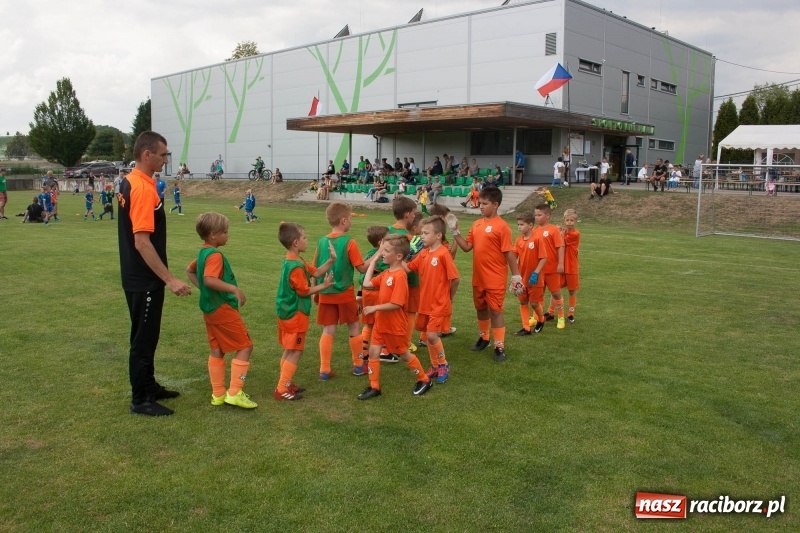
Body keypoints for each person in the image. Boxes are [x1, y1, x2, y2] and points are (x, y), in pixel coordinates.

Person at [118, 131, 191, 417]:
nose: (165, 159)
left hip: (138, 276)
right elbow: (141, 241)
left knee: (148, 335)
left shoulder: (133, 180)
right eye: (162, 154)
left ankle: (149, 386)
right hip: (143, 278)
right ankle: (140, 400)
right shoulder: (141, 188)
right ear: (146, 155)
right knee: (143, 340)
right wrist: (170, 279)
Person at [185, 212, 257, 409]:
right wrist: (233, 288)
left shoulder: (202, 253)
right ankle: (235, 392)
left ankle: (218, 394)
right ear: (213, 235)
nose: (228, 235)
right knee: (245, 346)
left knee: (217, 349)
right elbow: (209, 279)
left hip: (209, 310)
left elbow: (190, 270)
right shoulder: (215, 255)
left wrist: (204, 290)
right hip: (223, 309)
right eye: (225, 232)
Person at [447, 186, 523, 362]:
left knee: (495, 311)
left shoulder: (502, 227)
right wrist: (454, 231)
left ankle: (499, 346)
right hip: (478, 277)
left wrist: (516, 276)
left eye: (484, 203)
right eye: (479, 203)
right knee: (480, 308)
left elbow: (509, 253)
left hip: (495, 277)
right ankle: (484, 337)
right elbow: (467, 247)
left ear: (495, 205)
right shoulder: (477, 224)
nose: (480, 206)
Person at [357, 235, 434, 400]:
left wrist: (374, 307)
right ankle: (374, 387)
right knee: (374, 352)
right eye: (382, 250)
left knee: (404, 353)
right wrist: (374, 259)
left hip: (394, 325)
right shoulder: (386, 273)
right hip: (381, 323)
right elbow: (367, 283)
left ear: (399, 256)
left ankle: (424, 379)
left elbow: (396, 303)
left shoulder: (399, 276)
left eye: (386, 251)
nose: (382, 253)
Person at [275, 223, 337, 399]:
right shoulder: (295, 266)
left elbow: (316, 273)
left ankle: (286, 382)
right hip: (295, 313)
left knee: (290, 348)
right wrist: (324, 286)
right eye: (304, 237)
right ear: (295, 242)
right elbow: (303, 291)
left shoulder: (294, 260)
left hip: (286, 311)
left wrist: (331, 260)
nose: (306, 240)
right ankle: (282, 388)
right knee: (296, 350)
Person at [313, 202, 369, 380]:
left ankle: (324, 369)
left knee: (328, 330)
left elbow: (315, 269)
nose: (351, 221)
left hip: (325, 293)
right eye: (351, 218)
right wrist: (378, 254)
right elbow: (361, 268)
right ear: (344, 220)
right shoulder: (349, 242)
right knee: (354, 326)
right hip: (344, 293)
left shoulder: (322, 241)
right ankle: (359, 365)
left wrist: (316, 291)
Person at [405, 216, 459, 384]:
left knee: (431, 334)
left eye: (426, 233)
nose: (422, 236)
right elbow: (408, 268)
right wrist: (401, 257)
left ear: (438, 235)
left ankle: (443, 364)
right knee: (429, 336)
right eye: (422, 233)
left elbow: (455, 278)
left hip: (438, 303)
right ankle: (435, 366)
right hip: (425, 303)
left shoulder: (443, 254)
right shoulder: (423, 254)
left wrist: (449, 297)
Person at [387, 197, 423, 359]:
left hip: (389, 279)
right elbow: (413, 261)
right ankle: (404, 344)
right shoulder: (408, 238)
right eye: (414, 212)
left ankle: (388, 345)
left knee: (392, 312)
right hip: (409, 280)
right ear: (408, 214)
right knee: (410, 312)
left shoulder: (388, 231)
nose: (415, 215)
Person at [356, 225, 390, 374]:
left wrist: (359, 294)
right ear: (381, 242)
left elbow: (362, 275)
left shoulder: (369, 254)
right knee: (381, 321)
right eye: (388, 238)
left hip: (366, 293)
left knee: (368, 324)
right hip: (377, 293)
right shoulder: (384, 257)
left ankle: (363, 351)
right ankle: (384, 350)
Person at [533, 203, 566, 329]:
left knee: (556, 292)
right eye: (535, 215)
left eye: (539, 215)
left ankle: (561, 316)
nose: (536, 217)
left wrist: (561, 263)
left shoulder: (553, 230)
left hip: (552, 268)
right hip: (539, 270)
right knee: (538, 294)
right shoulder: (534, 230)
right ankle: (537, 317)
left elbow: (560, 246)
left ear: (547, 216)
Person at [513, 212, 547, 336]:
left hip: (534, 278)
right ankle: (526, 328)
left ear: (531, 225)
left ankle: (541, 319)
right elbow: (513, 256)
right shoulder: (518, 240)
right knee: (523, 302)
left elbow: (543, 258)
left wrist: (536, 273)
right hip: (522, 278)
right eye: (518, 224)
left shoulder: (537, 239)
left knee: (533, 303)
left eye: (522, 224)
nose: (519, 227)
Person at [560, 209, 580, 324]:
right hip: (561, 265)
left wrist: (559, 233)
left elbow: (562, 241)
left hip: (571, 265)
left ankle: (571, 314)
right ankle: (551, 311)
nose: (569, 222)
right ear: (564, 220)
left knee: (572, 290)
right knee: (556, 289)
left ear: (575, 221)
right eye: (567, 220)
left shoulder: (575, 234)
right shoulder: (563, 231)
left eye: (572, 220)